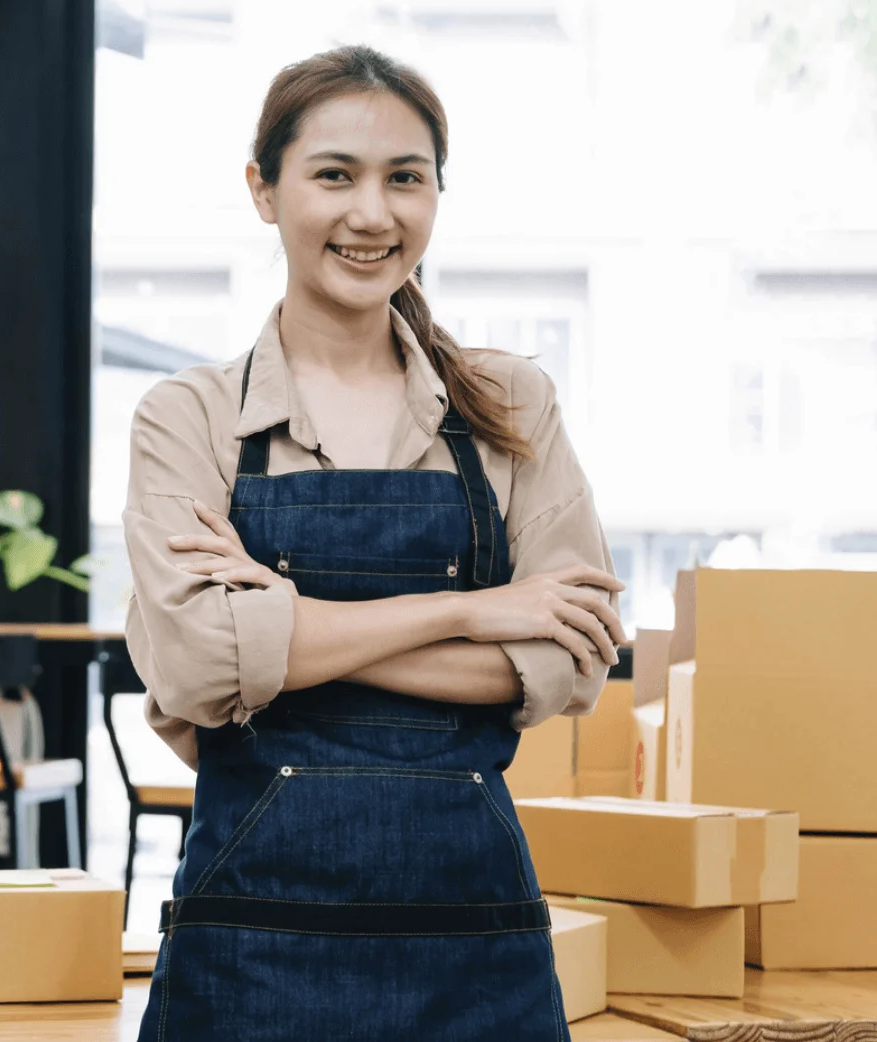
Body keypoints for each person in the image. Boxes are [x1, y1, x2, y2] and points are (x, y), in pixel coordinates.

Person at [124, 45, 624, 1041]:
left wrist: (281, 632)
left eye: (404, 178)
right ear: (263, 191)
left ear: (437, 194)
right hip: (251, 949)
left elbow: (572, 659)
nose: (371, 214)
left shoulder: (510, 407)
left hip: (473, 949)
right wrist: (471, 610)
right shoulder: (191, 418)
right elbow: (191, 665)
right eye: (332, 175)